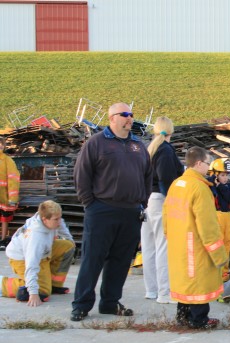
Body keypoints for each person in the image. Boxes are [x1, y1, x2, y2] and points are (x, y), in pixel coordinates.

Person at [71, 102, 152, 322]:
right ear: (112, 118)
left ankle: (109, 303)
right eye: (125, 114)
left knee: (121, 261)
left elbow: (147, 177)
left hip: (130, 212)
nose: (130, 118)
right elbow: (82, 175)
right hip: (102, 210)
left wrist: (142, 203)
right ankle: (81, 305)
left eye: (132, 114)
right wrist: (91, 204)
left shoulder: (138, 145)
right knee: (93, 259)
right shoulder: (96, 143)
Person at [163, 147, 228, 329]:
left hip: (178, 243)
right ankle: (199, 320)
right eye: (208, 164)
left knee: (185, 283)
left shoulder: (177, 184)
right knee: (198, 283)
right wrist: (219, 255)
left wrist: (170, 236)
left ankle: (182, 316)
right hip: (195, 246)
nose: (209, 169)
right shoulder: (199, 188)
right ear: (198, 163)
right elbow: (208, 225)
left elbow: (166, 214)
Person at [141, 116, 183, 304]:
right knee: (163, 246)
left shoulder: (149, 149)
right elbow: (167, 178)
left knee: (149, 246)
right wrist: (172, 200)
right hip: (161, 200)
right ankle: (165, 293)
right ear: (171, 131)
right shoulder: (165, 150)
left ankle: (151, 289)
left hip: (147, 199)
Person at [2, 200, 75, 306]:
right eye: (56, 219)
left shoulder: (51, 218)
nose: (59, 222)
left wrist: (71, 241)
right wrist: (33, 293)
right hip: (22, 259)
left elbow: (62, 227)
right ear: (44, 220)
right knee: (43, 292)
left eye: (60, 218)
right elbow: (31, 265)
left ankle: (54, 285)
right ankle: (3, 284)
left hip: (44, 252)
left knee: (68, 246)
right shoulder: (36, 237)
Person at [207, 157, 230, 280]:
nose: (225, 178)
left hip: (227, 217)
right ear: (215, 175)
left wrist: (222, 187)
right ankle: (214, 274)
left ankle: (224, 274)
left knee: (227, 245)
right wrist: (215, 184)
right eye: (222, 175)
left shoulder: (227, 186)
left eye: (226, 175)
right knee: (218, 245)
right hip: (217, 217)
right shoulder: (209, 186)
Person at [0, 136, 20, 249]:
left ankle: (3, 240)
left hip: (4, 196)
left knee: (4, 218)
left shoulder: (8, 161)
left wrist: (13, 198)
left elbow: (13, 179)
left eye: (1, 144)